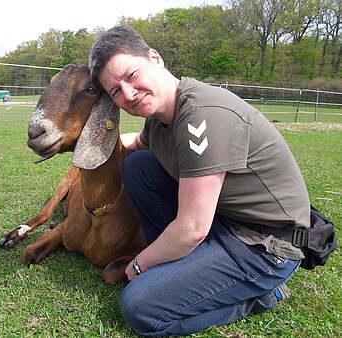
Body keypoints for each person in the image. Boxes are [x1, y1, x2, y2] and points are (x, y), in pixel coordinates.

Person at [88, 25, 310, 336]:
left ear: (155, 58)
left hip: (266, 245)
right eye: (115, 92)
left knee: (140, 306)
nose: (128, 94)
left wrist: (138, 266)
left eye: (131, 76)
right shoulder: (160, 120)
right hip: (225, 223)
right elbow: (133, 144)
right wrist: (87, 151)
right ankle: (178, 267)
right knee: (140, 165)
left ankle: (261, 296)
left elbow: (192, 228)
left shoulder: (201, 115)